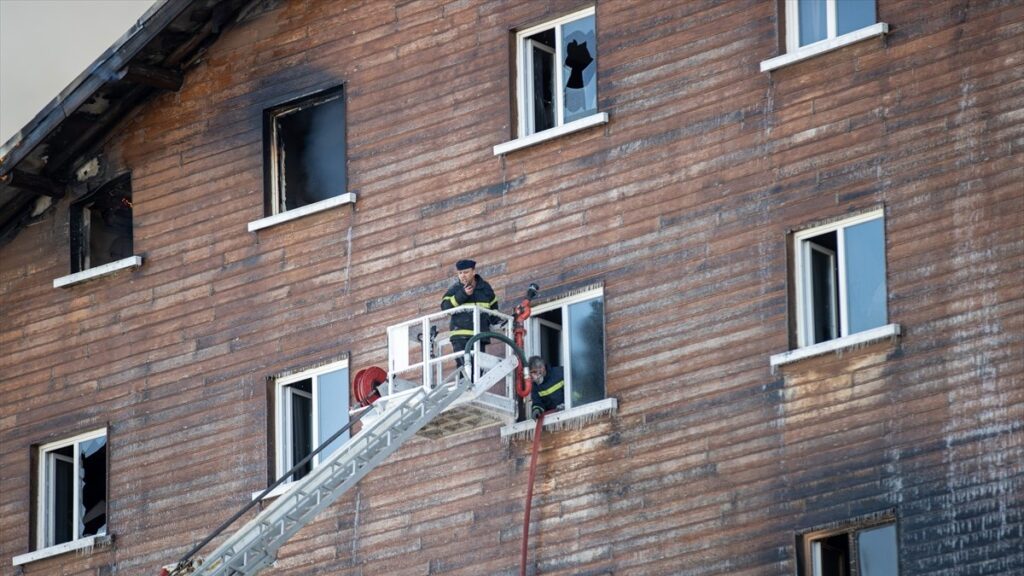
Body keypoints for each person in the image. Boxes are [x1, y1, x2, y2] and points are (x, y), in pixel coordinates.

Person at [440, 259, 499, 368]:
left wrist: (497, 321)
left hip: (479, 335)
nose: (463, 276)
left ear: (473, 271)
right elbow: (445, 307)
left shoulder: (485, 288)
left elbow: (494, 307)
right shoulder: (455, 289)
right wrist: (463, 294)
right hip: (460, 336)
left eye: (466, 272)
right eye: (460, 273)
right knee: (466, 368)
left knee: (478, 369)